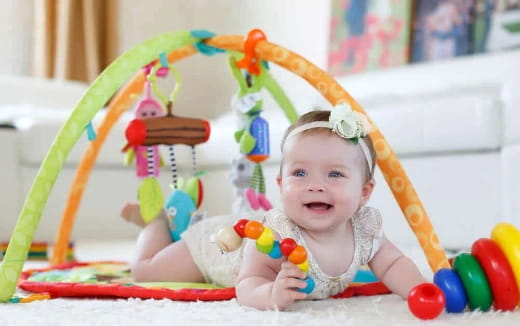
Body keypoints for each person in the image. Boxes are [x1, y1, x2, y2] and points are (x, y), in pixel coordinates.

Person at [122, 104, 426, 310]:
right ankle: (157, 222)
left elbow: (393, 264)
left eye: (334, 174)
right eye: (300, 173)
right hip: (216, 247)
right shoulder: (275, 236)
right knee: (145, 269)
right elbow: (248, 284)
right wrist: (271, 294)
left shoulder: (365, 229)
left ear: (364, 192)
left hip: (239, 230)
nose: (315, 186)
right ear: (281, 185)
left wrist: (419, 291)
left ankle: (172, 223)